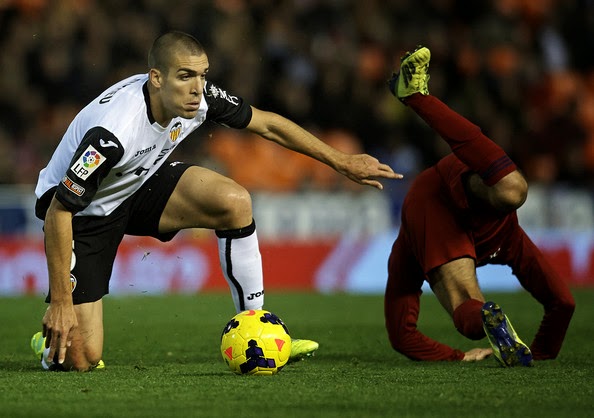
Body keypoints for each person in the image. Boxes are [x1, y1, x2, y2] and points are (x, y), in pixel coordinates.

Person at [30, 31, 402, 371]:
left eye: (203, 75)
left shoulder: (201, 99)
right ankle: (48, 340)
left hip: (135, 181)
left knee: (234, 201)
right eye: (186, 76)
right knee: (81, 357)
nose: (198, 88)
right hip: (82, 212)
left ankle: (259, 330)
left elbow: (268, 124)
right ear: (156, 78)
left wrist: (342, 161)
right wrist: (62, 302)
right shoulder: (112, 133)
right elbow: (58, 210)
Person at [383, 46, 575, 366]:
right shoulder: (413, 243)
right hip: (436, 202)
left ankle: (414, 95)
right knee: (513, 191)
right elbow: (401, 334)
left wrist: (539, 356)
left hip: (483, 214)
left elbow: (563, 305)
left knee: (559, 301)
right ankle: (416, 95)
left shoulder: (411, 251)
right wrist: (457, 356)